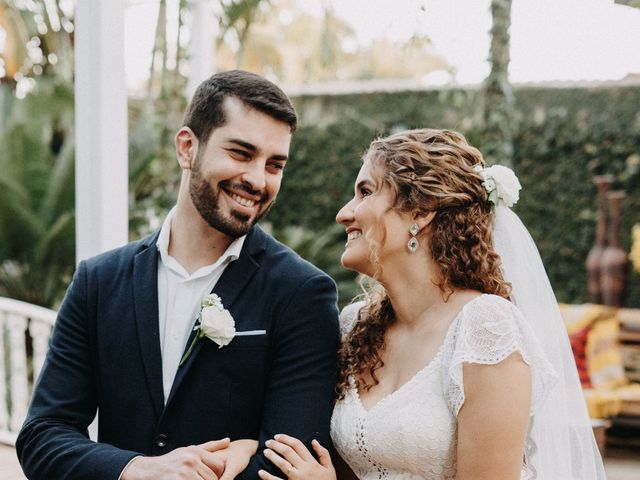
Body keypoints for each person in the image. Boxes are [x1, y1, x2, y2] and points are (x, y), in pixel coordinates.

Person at [16, 70, 340, 480]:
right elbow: (43, 436)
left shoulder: (301, 292)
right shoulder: (98, 282)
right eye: (241, 153)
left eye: (274, 165)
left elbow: (290, 464)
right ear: (187, 147)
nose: (258, 180)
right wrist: (138, 469)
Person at [256, 129, 606, 479]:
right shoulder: (355, 326)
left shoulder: (484, 329)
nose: (344, 214)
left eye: (365, 191)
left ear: (420, 213)